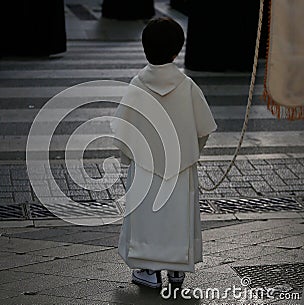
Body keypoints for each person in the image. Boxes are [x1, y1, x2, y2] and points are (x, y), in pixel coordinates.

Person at [112, 17, 217, 288]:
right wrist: (192, 153)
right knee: (179, 216)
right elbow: (203, 129)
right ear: (177, 50)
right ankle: (177, 269)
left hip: (145, 169)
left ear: (145, 48)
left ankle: (147, 270)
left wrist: (130, 157)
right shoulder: (188, 86)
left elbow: (123, 131)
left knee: (145, 218)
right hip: (181, 168)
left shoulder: (137, 85)